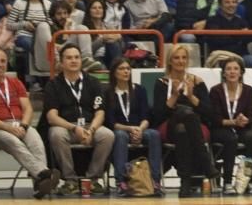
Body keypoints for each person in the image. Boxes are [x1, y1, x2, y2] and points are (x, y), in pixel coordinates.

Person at [0, 49, 59, 198]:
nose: (0, 65)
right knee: (13, 142)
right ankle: (43, 173)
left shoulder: (16, 83)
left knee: (36, 140)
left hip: (19, 124)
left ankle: (39, 185)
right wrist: (8, 128)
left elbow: (27, 108)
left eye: (3, 61)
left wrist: (24, 125)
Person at [43, 44, 115, 196]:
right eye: (69, 58)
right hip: (66, 127)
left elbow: (100, 112)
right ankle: (70, 180)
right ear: (61, 62)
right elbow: (51, 117)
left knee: (108, 135)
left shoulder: (93, 83)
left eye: (76, 57)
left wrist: (92, 130)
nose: (73, 61)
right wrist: (74, 128)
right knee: (56, 134)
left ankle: (93, 179)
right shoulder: (53, 85)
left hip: (90, 126)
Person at [152, 45, 217, 197]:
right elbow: (158, 115)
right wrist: (174, 96)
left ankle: (185, 182)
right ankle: (206, 162)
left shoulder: (197, 82)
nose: (180, 61)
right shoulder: (161, 83)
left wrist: (192, 98)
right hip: (168, 124)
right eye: (176, 58)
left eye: (183, 58)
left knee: (183, 129)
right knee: (183, 113)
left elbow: (209, 113)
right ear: (170, 61)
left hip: (193, 127)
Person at [104, 58, 163, 196]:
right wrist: (130, 129)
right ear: (114, 73)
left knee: (154, 134)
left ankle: (155, 180)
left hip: (139, 127)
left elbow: (146, 116)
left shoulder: (139, 90)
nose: (126, 71)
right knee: (119, 135)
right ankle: (121, 181)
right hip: (121, 129)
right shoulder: (108, 93)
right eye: (121, 69)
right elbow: (111, 122)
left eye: (128, 69)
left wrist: (140, 129)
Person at [209, 57, 252, 195]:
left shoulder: (248, 90)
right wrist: (232, 122)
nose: (232, 72)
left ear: (241, 72)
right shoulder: (216, 91)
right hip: (221, 128)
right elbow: (214, 118)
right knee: (230, 139)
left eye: (235, 69)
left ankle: (247, 181)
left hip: (242, 127)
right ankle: (227, 182)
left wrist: (244, 120)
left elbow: (251, 116)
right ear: (224, 73)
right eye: (228, 69)